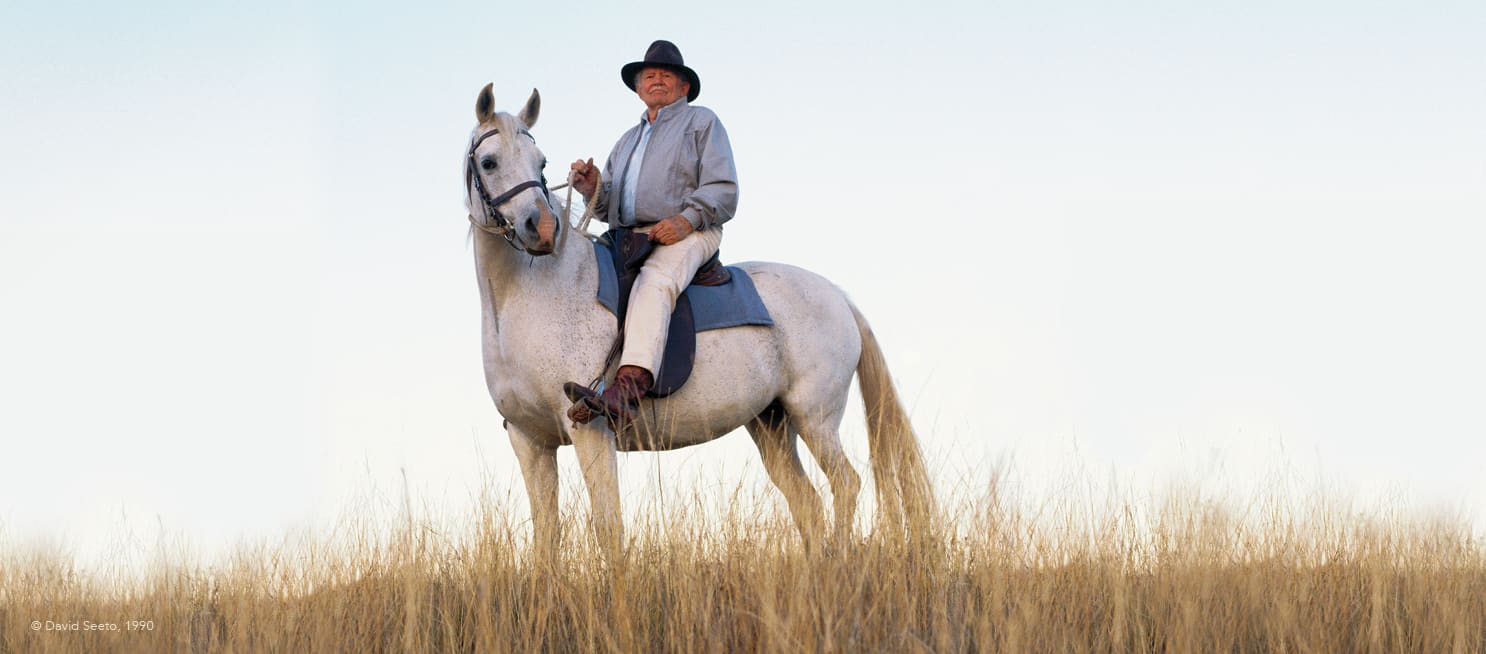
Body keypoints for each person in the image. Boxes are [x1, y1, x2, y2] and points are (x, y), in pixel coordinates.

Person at [566, 39, 739, 428]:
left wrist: (687, 219)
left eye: (666, 75)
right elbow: (610, 208)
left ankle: (629, 388)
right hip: (632, 235)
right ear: (639, 88)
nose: (656, 80)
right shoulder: (626, 140)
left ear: (684, 88)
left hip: (691, 230)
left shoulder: (702, 122)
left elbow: (724, 190)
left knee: (655, 282)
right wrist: (592, 187)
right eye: (649, 75)